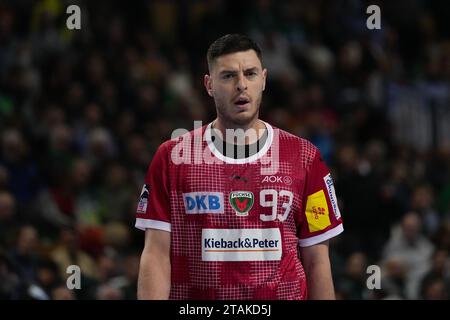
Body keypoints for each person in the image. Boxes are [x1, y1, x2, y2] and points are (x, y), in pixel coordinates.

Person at [136, 34, 344, 300]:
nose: (241, 85)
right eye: (228, 76)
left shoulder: (305, 157)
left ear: (264, 79)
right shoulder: (172, 158)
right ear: (209, 85)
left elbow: (317, 259)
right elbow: (155, 255)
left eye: (250, 73)